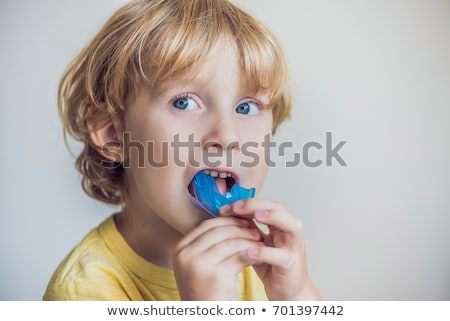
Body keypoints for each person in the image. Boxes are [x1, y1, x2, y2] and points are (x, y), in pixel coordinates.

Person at [43, 0, 322, 300]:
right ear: (114, 135)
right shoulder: (81, 293)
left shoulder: (258, 259)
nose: (228, 137)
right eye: (184, 102)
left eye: (246, 107)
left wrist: (296, 296)